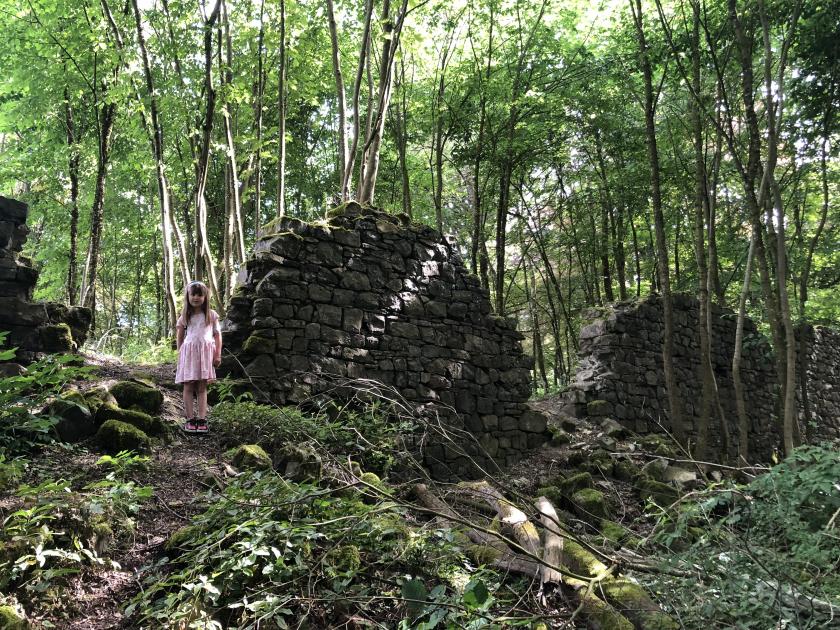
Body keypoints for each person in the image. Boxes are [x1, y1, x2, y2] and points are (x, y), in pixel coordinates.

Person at [175, 280, 222, 433]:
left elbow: (217, 335)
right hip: (189, 353)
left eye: (200, 295)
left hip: (205, 354)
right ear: (188, 296)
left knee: (202, 387)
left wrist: (218, 355)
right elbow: (180, 337)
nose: (196, 297)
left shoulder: (211, 315)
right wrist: (180, 353)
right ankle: (189, 419)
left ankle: (202, 419)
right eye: (193, 294)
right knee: (188, 385)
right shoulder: (185, 316)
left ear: (205, 297)